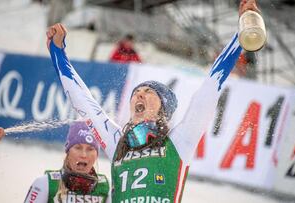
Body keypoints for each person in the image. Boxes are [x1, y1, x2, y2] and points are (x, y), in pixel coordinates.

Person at [46, 0, 261, 202]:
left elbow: (210, 88)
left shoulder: (180, 141)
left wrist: (240, 34)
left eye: (149, 92)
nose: (139, 94)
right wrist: (58, 52)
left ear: (163, 108)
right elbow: (84, 102)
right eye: (137, 92)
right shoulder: (117, 143)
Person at [24, 121, 110, 203]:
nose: (84, 155)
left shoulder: (107, 188)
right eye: (78, 148)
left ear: (97, 155)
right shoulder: (44, 184)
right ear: (68, 151)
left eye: (90, 149)